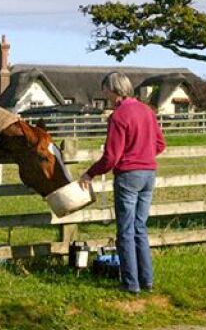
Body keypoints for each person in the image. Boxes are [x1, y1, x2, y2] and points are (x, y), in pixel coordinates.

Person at [79, 72, 166, 294]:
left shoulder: (118, 116)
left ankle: (130, 283)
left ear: (113, 90)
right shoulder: (147, 111)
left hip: (128, 175)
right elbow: (160, 144)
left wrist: (90, 173)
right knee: (140, 228)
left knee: (126, 230)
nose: (104, 94)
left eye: (105, 90)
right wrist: (144, 154)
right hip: (149, 174)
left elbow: (111, 157)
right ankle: (147, 280)